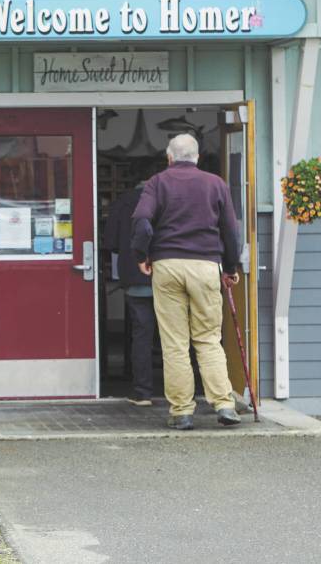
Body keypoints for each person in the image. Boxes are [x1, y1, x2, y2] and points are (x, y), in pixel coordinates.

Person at [130, 133, 242, 430]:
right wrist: (230, 267)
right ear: (197, 157)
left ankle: (182, 412)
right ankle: (224, 404)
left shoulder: (157, 182)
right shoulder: (215, 183)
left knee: (175, 343)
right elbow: (231, 231)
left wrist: (141, 254)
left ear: (169, 158)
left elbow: (141, 220)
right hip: (206, 265)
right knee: (208, 338)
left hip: (167, 266)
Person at [103, 169, 158, 407]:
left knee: (141, 335)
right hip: (168, 276)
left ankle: (143, 392)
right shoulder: (165, 199)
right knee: (176, 336)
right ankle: (183, 394)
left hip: (136, 279)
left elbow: (112, 243)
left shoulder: (123, 202)